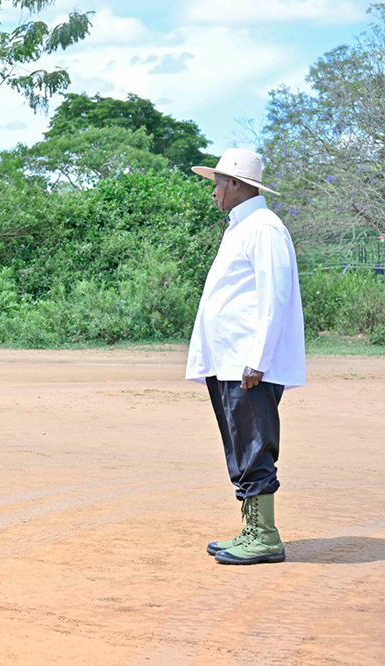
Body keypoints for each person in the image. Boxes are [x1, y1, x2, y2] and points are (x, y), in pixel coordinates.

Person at [187, 148, 306, 565]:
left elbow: (274, 295)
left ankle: (265, 536)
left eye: (218, 183)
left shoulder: (265, 228)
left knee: (255, 444)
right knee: (240, 444)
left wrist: (258, 358)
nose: (214, 191)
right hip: (228, 360)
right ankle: (252, 528)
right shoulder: (241, 227)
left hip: (248, 363)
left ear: (236, 184)